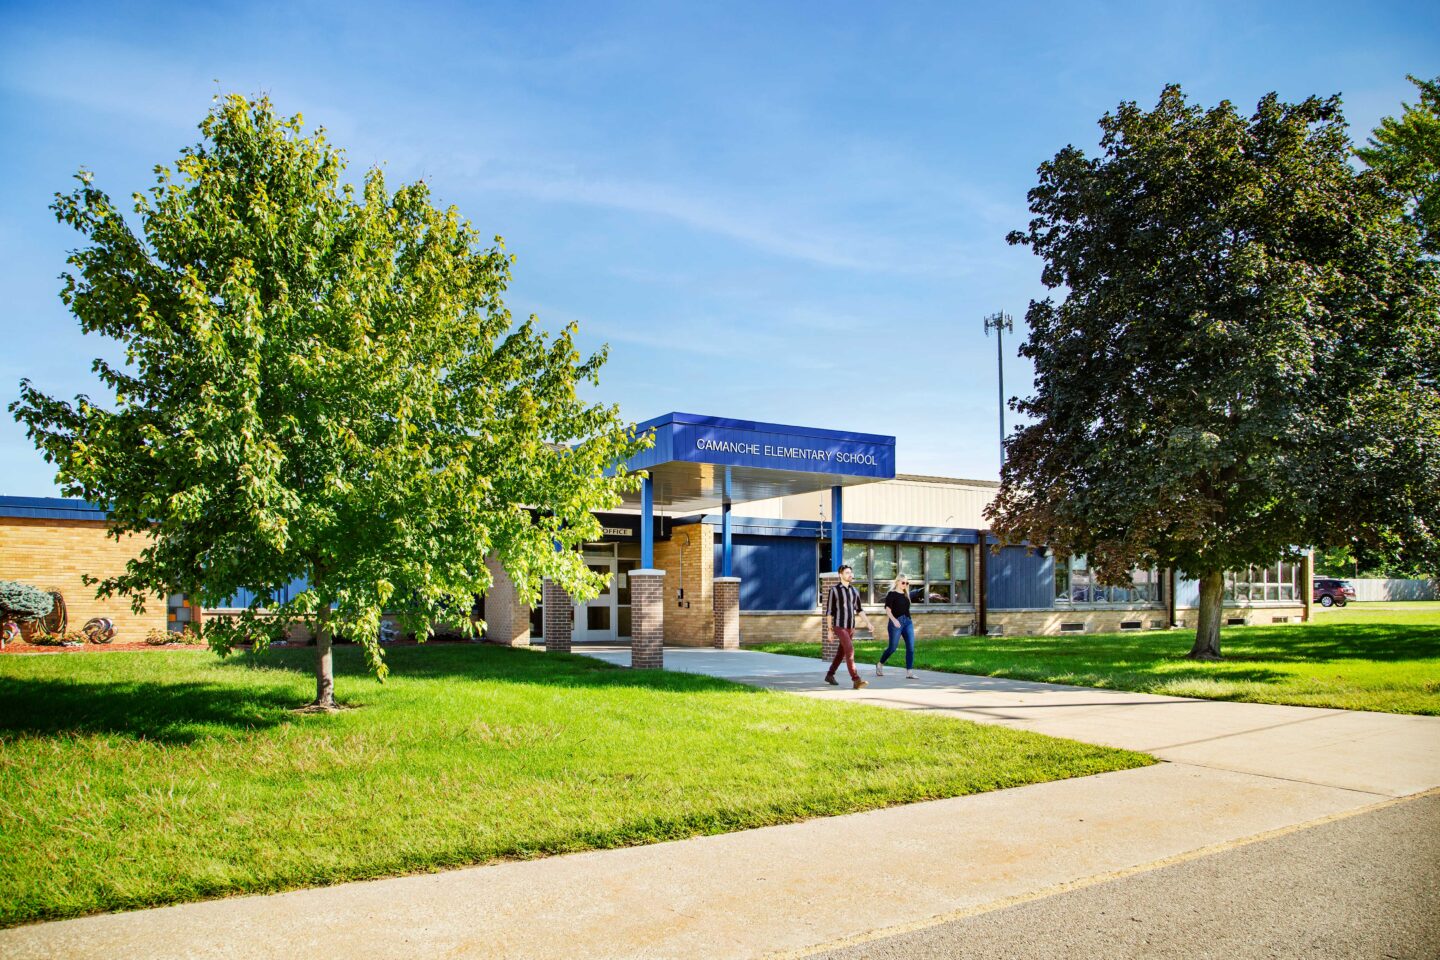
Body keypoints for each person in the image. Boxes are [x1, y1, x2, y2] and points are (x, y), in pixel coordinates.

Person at [824, 564, 871, 689]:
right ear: (840, 575)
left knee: (841, 653)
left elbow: (859, 610)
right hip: (839, 626)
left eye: (851, 572)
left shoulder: (854, 591)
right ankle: (856, 680)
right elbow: (829, 612)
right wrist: (829, 630)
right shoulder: (834, 590)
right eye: (847, 573)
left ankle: (830, 674)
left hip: (851, 627)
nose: (850, 575)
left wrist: (868, 623)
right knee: (850, 651)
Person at [878, 576, 918, 679]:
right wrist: (894, 620)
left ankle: (909, 672)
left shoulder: (906, 595)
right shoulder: (892, 594)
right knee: (892, 648)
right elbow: (888, 610)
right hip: (896, 622)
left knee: (911, 648)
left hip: (908, 622)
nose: (905, 585)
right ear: (897, 582)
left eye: (907, 583)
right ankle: (880, 663)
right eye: (903, 582)